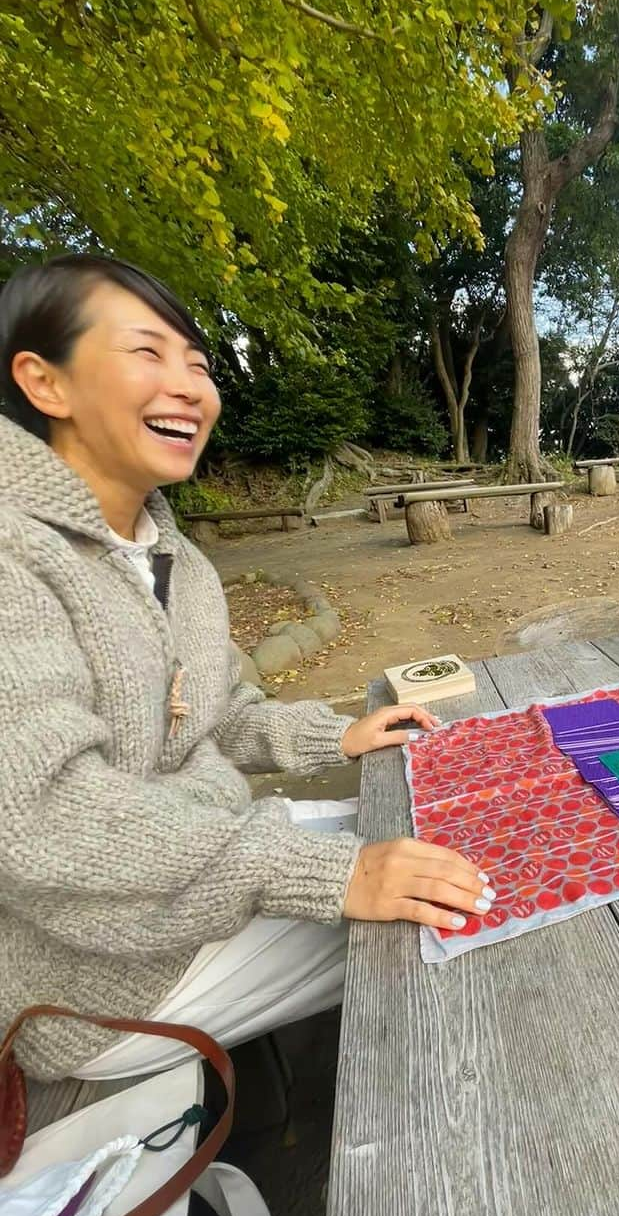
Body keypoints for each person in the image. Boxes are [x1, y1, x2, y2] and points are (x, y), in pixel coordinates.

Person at [0, 255, 493, 1082]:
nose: (189, 386)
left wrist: (334, 736)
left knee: (454, 842)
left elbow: (219, 714)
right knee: (464, 914)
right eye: (147, 353)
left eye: (198, 364)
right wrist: (322, 871)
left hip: (204, 875)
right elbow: (38, 817)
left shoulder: (172, 556)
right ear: (45, 383)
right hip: (95, 981)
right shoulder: (15, 554)